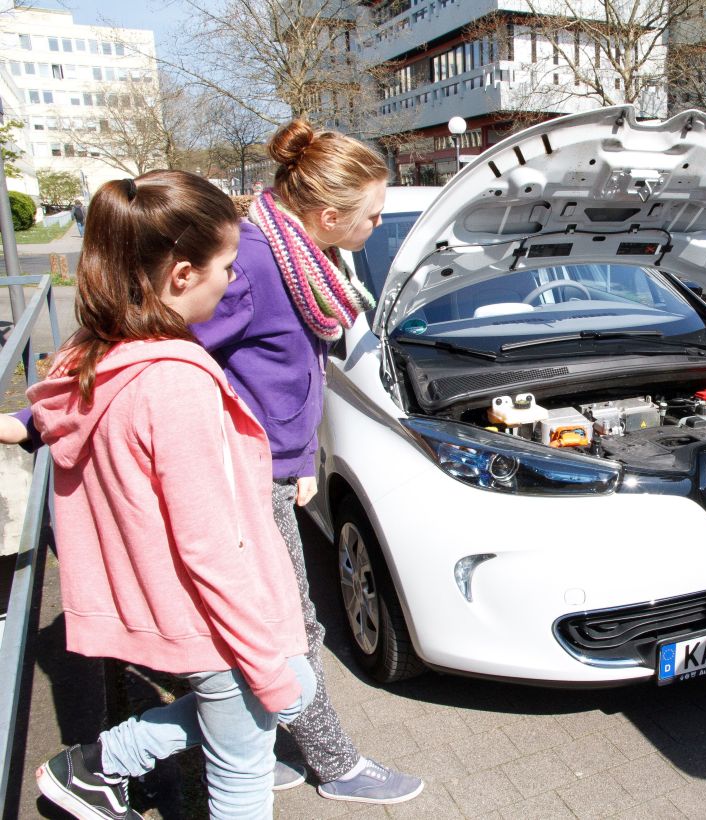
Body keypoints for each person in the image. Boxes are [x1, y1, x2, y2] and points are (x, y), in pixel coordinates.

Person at [19, 171, 315, 819]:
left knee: (290, 688)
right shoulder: (172, 386)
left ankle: (100, 766)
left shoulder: (94, 350)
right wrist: (263, 662)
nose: (235, 281)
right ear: (182, 274)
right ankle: (101, 765)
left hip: (166, 605)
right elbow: (211, 548)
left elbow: (60, 422)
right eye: (228, 266)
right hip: (210, 621)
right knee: (243, 774)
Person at [190, 119, 423, 804]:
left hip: (273, 469)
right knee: (293, 627)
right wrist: (34, 418)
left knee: (271, 625)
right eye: (373, 214)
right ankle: (336, 765)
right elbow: (163, 350)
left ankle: (251, 748)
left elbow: (279, 372)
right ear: (327, 214)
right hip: (240, 477)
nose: (378, 226)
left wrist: (298, 462)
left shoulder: (302, 254)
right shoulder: (257, 261)